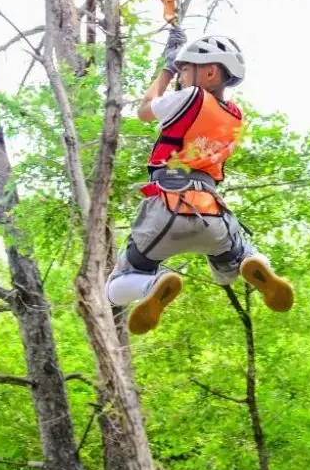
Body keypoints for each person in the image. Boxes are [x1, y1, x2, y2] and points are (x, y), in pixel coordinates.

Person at [106, 23, 294, 335]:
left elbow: (144, 110)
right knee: (234, 264)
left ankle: (153, 284)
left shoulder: (190, 96)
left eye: (187, 69)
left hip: (167, 209)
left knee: (114, 284)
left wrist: (166, 70)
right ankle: (251, 265)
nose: (181, 76)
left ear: (209, 74)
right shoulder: (236, 116)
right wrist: (180, 61)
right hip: (211, 212)